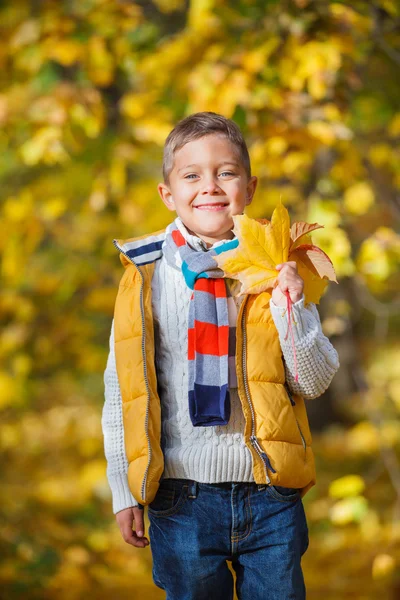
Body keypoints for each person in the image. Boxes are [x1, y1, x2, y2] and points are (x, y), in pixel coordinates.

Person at [102, 111, 340, 599]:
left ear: (249, 188)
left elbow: (313, 382)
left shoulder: (277, 266)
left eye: (225, 172)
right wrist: (124, 488)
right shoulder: (146, 276)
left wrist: (289, 308)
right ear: (168, 194)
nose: (209, 186)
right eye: (192, 175)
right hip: (180, 495)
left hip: (269, 490)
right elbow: (122, 391)